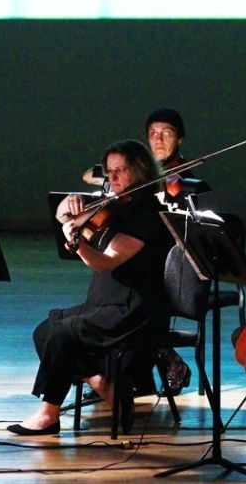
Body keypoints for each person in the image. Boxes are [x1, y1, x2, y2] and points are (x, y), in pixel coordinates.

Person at [9, 140, 174, 435]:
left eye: (120, 171)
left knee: (61, 335)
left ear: (139, 171)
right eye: (109, 172)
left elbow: (106, 263)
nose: (112, 179)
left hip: (133, 308)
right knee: (45, 331)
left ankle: (48, 414)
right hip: (104, 302)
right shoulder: (115, 206)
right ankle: (102, 382)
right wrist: (69, 205)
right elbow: (63, 214)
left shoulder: (148, 215)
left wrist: (79, 244)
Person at [56, 108, 195, 397]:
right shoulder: (125, 188)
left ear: (179, 139)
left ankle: (127, 376)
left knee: (78, 326)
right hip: (121, 282)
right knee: (65, 324)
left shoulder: (182, 182)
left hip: (154, 277)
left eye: (166, 133)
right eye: (152, 134)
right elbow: (72, 205)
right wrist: (72, 204)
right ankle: (113, 379)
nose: (158, 140)